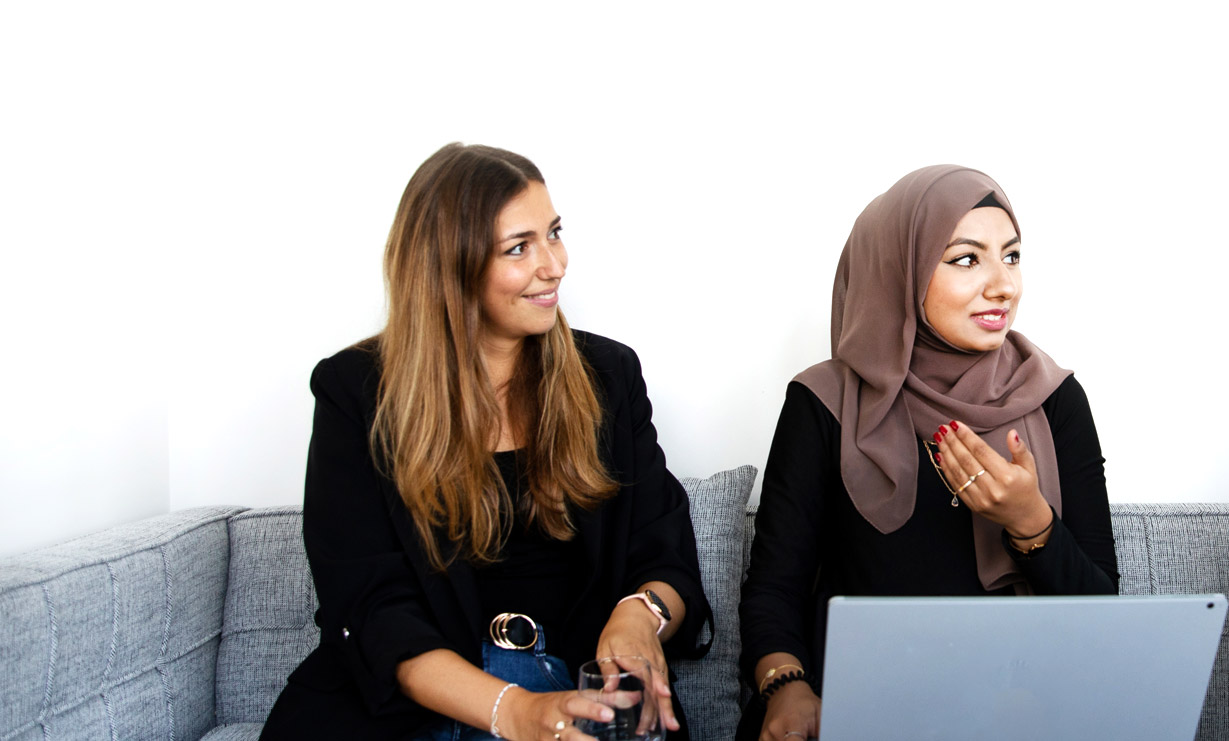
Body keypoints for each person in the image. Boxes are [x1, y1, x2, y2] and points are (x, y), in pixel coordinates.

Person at [262, 143, 711, 740]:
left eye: (554, 233)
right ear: (451, 267)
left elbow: (666, 557)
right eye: (519, 247)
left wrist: (639, 615)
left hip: (576, 691)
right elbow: (374, 613)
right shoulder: (356, 392)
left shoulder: (609, 376)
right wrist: (516, 712)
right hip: (418, 702)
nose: (554, 264)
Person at [737, 165, 1120, 740]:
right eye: (967, 259)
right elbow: (775, 587)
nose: (1003, 286)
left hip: (1014, 710)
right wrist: (784, 686)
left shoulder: (1053, 398)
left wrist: (1030, 522)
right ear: (901, 271)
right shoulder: (824, 402)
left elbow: (1104, 623)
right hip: (863, 708)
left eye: (1011, 256)